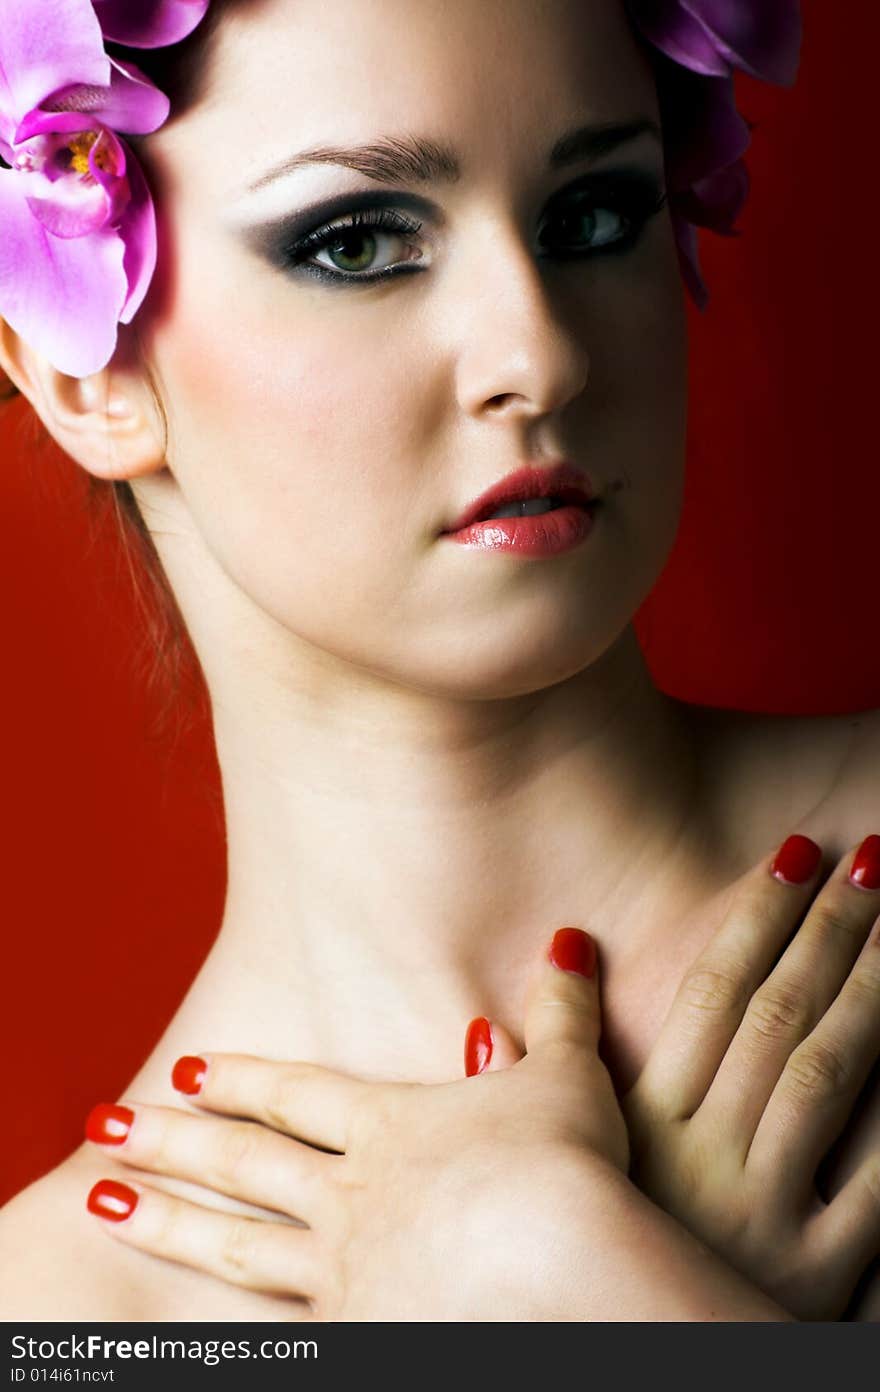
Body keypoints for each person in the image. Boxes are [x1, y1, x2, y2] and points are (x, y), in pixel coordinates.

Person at [0, 0, 878, 1321]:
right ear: (83, 378)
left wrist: (581, 1288)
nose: (540, 355)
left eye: (593, 215)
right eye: (355, 244)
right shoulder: (76, 1318)